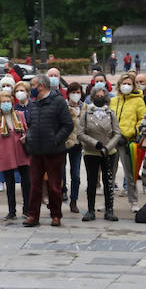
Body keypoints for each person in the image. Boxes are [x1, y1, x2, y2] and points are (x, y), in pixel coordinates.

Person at [23, 75, 74, 227]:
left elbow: (68, 125)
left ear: (41, 86)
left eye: (32, 85)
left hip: (54, 152)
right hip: (36, 151)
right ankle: (33, 215)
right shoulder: (33, 103)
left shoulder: (58, 101)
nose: (30, 88)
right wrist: (30, 139)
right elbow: (31, 124)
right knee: (35, 185)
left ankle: (56, 215)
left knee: (54, 186)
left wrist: (56, 140)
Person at [77, 82, 121, 222]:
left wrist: (107, 147)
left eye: (102, 95)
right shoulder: (86, 113)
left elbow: (117, 133)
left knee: (108, 182)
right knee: (91, 182)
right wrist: (95, 144)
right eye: (97, 95)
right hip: (91, 152)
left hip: (109, 152)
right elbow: (80, 133)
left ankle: (109, 209)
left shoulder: (111, 113)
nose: (100, 97)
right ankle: (90, 210)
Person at [0, 88, 30, 221]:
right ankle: (11, 210)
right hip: (6, 156)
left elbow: (27, 131)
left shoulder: (19, 115)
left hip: (21, 154)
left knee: (26, 183)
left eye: (8, 101)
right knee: (10, 184)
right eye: (3, 101)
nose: (6, 103)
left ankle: (27, 209)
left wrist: (26, 137)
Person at [110, 73, 146, 208]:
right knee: (110, 173)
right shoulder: (114, 100)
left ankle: (134, 201)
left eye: (129, 84)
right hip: (112, 141)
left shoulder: (138, 101)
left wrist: (133, 132)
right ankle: (109, 201)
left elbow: (142, 120)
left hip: (127, 141)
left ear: (133, 86)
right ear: (119, 85)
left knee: (130, 173)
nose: (126, 86)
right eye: (124, 83)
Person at [63, 82, 84, 214]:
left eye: (78, 92)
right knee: (61, 173)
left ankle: (73, 200)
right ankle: (62, 192)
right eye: (73, 92)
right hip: (64, 144)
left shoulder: (85, 107)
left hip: (78, 145)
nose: (75, 95)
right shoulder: (63, 106)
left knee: (76, 175)